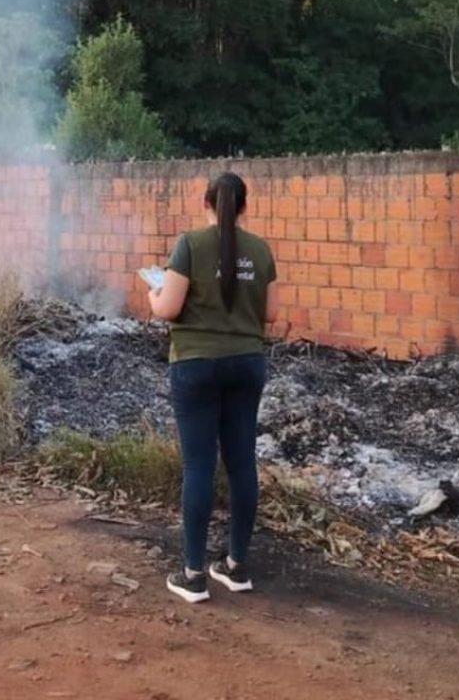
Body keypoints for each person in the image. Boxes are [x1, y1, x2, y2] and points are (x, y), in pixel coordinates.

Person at [147, 171, 279, 604]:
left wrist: (153, 295)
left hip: (196, 365)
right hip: (247, 364)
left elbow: (169, 307)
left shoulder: (189, 245)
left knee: (199, 465)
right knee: (242, 463)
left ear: (205, 203)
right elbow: (271, 314)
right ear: (244, 206)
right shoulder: (260, 250)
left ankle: (193, 575)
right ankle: (236, 567)